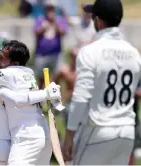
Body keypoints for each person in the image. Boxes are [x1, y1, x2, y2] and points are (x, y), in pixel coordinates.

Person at [62, 0, 141, 165]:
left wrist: (69, 134)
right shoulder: (134, 53)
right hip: (126, 132)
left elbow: (81, 97)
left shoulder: (89, 52)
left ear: (98, 20)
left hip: (98, 129)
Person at [33, 0, 68, 87]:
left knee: (56, 77)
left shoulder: (59, 20)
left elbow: (63, 33)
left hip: (56, 54)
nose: (50, 10)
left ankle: (55, 97)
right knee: (41, 78)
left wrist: (54, 23)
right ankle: (40, 97)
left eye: (51, 8)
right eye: (48, 8)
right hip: (42, 54)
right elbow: (36, 32)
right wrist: (44, 27)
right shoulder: (39, 19)